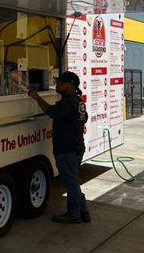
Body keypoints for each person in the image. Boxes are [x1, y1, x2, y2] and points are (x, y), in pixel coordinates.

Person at [28, 71, 90, 224]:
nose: (58, 85)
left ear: (71, 85)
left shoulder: (68, 102)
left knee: (70, 182)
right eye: (58, 82)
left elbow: (51, 112)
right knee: (72, 181)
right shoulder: (78, 101)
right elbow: (84, 117)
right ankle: (83, 211)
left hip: (68, 149)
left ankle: (74, 214)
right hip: (75, 147)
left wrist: (36, 97)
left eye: (62, 82)